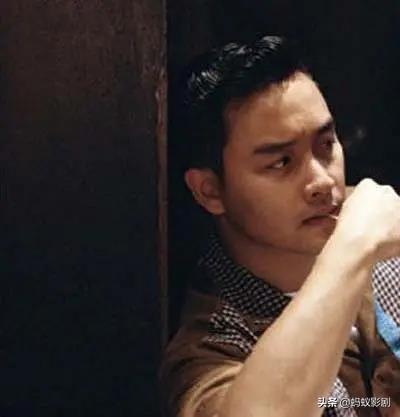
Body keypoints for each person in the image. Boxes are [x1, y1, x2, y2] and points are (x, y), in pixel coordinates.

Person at [161, 36, 400, 417]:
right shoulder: (213, 344)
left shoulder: (376, 217)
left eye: (326, 145)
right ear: (210, 191)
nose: (322, 181)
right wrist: (354, 250)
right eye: (281, 162)